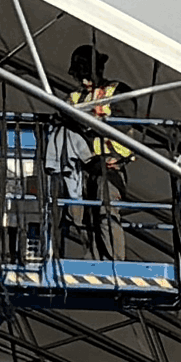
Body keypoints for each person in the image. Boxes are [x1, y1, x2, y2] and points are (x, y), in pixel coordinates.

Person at [66, 43, 131, 259]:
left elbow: (125, 123)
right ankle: (93, 260)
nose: (84, 81)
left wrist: (92, 122)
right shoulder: (75, 98)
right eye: (79, 76)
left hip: (111, 166)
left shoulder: (117, 91)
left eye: (87, 74)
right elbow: (65, 119)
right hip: (85, 167)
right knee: (81, 215)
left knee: (106, 212)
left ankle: (115, 264)